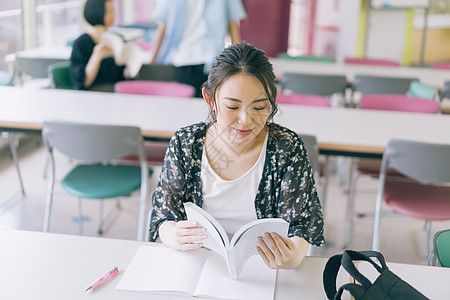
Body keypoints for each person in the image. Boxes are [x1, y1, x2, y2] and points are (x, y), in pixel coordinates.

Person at [149, 42, 324, 270]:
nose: (245, 120)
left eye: (260, 108)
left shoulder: (286, 148)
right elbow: (164, 216)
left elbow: (302, 224)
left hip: (263, 268)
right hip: (198, 263)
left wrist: (294, 254)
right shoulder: (186, 143)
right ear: (210, 100)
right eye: (232, 107)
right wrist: (174, 235)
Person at [150, 0, 246, 97]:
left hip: (211, 59)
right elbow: (163, 26)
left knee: (209, 104)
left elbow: (233, 25)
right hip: (183, 59)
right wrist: (153, 59)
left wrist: (237, 60)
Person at [70, 0, 129, 91]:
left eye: (112, 10)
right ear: (96, 12)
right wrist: (97, 55)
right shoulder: (80, 43)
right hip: (92, 96)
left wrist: (128, 73)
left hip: (115, 92)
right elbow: (83, 83)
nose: (112, 15)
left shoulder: (117, 39)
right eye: (107, 11)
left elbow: (119, 76)